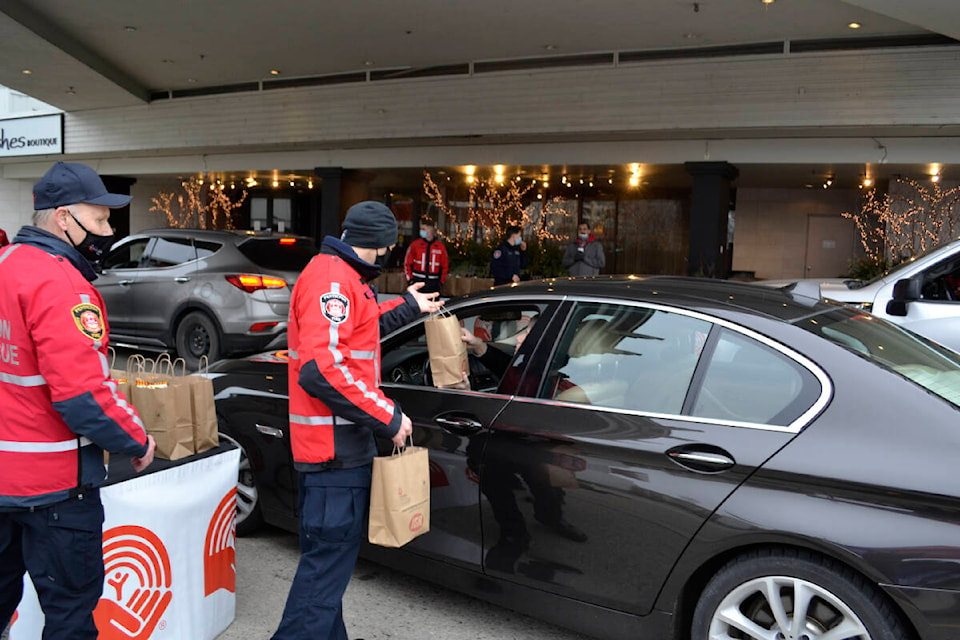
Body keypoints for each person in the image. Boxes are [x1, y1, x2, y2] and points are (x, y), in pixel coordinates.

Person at [272, 200, 444, 640]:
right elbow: (321, 370)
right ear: (383, 245)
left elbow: (361, 329)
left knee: (325, 574)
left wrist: (408, 306)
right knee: (322, 578)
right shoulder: (333, 279)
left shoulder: (339, 276)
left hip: (332, 453)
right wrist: (388, 417)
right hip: (334, 456)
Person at [0, 161, 156, 638]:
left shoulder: (4, 265)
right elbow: (84, 394)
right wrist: (137, 439)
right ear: (64, 218)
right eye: (101, 220)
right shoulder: (63, 282)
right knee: (70, 615)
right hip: (55, 491)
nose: (107, 232)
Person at [403, 216, 448, 295]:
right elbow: (407, 264)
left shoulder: (440, 247)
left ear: (431, 229)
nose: (421, 231)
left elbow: (445, 266)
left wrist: (441, 282)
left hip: (433, 284)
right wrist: (410, 280)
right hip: (417, 282)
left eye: (424, 229)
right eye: (421, 229)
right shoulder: (415, 245)